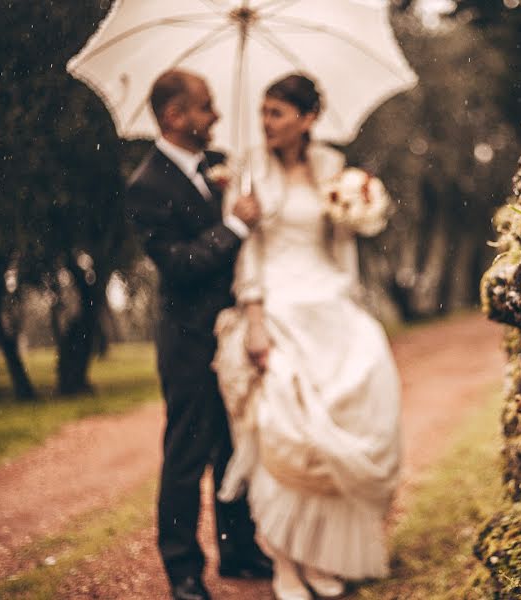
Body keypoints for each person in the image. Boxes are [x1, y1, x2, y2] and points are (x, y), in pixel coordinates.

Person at [211, 74, 401, 600]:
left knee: (342, 418)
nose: (266, 123)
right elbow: (249, 251)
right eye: (263, 111)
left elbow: (340, 246)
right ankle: (285, 564)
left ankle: (322, 555)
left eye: (276, 113)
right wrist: (254, 317)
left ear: (307, 118)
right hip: (275, 306)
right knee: (283, 432)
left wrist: (355, 215)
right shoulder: (247, 166)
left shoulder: (333, 166)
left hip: (329, 302)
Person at [125, 69, 274, 600]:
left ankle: (238, 548)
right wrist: (234, 226)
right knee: (187, 452)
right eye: (205, 107)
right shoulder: (146, 185)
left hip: (230, 334)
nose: (214, 116)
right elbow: (181, 265)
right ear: (175, 116)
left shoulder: (217, 166)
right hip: (187, 339)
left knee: (233, 445)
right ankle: (184, 570)